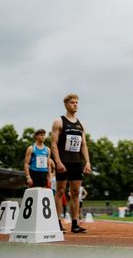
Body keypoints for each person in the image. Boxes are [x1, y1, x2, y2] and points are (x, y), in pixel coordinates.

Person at [51, 93, 92, 233]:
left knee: (75, 193)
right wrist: (57, 161)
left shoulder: (81, 124)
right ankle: (57, 222)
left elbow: (84, 145)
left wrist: (87, 162)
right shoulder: (59, 122)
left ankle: (75, 223)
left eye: (76, 102)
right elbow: (54, 144)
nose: (75, 104)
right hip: (63, 162)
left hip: (76, 162)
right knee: (60, 192)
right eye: (72, 102)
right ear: (66, 105)